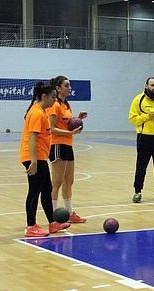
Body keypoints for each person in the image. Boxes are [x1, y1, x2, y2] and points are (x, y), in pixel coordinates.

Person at [20, 82, 71, 237]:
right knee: (34, 191)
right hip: (32, 157)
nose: (55, 101)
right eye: (53, 97)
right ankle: (31, 226)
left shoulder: (42, 111)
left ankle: (53, 223)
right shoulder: (36, 113)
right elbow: (32, 138)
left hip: (40, 157)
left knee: (46, 189)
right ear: (44, 96)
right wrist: (34, 161)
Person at [47, 76, 88, 223]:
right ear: (58, 88)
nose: (69, 88)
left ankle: (69, 213)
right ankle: (53, 215)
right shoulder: (55, 104)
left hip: (68, 145)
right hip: (57, 145)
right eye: (66, 85)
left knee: (69, 181)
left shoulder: (67, 104)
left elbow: (65, 124)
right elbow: (52, 129)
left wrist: (77, 119)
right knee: (57, 182)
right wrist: (70, 133)